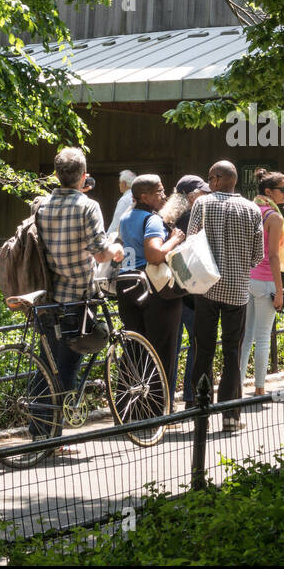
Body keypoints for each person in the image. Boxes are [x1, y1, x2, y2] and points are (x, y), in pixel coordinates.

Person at [37, 149, 125, 405]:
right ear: (84, 176)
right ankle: (55, 439)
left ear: (56, 175)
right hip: (77, 298)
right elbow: (100, 254)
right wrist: (116, 249)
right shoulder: (88, 206)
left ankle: (40, 431)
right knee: (67, 367)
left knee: (46, 365)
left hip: (47, 296)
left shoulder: (41, 205)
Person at [187, 161, 263, 431]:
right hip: (238, 290)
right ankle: (231, 417)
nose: (209, 183)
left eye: (210, 178)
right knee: (232, 352)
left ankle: (199, 413)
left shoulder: (202, 205)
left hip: (206, 288)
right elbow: (258, 256)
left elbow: (191, 242)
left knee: (203, 349)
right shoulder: (253, 209)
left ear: (218, 179)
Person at [117, 175, 185, 389]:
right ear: (144, 196)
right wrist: (174, 239)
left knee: (134, 348)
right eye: (159, 192)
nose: (164, 196)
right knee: (160, 350)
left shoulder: (125, 218)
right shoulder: (152, 219)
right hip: (152, 288)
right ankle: (158, 413)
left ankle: (130, 409)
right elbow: (154, 255)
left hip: (127, 285)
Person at [161, 174, 209, 405]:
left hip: (170, 289)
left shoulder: (165, 218)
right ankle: (192, 397)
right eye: (202, 192)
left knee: (172, 349)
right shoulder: (194, 217)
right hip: (191, 291)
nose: (206, 196)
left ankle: (167, 402)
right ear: (192, 196)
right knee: (197, 344)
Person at [240, 170, 284, 396]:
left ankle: (237, 387)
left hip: (246, 278)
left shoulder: (250, 210)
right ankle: (259, 388)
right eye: (283, 189)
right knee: (262, 337)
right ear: (268, 191)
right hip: (266, 280)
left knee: (246, 336)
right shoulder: (274, 217)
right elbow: (274, 256)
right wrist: (279, 291)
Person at [106, 170, 138, 236]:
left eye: (119, 182)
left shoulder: (124, 200)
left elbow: (117, 222)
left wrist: (107, 236)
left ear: (124, 183)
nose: (119, 185)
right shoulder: (137, 196)